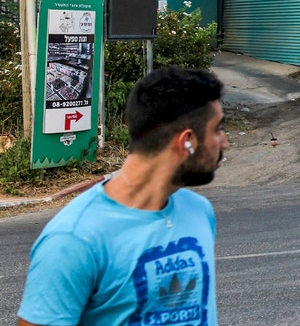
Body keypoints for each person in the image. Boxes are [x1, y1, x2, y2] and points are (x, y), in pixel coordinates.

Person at [17, 66, 228, 326]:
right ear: (187, 141)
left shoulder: (199, 211)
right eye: (217, 130)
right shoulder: (73, 240)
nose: (224, 141)